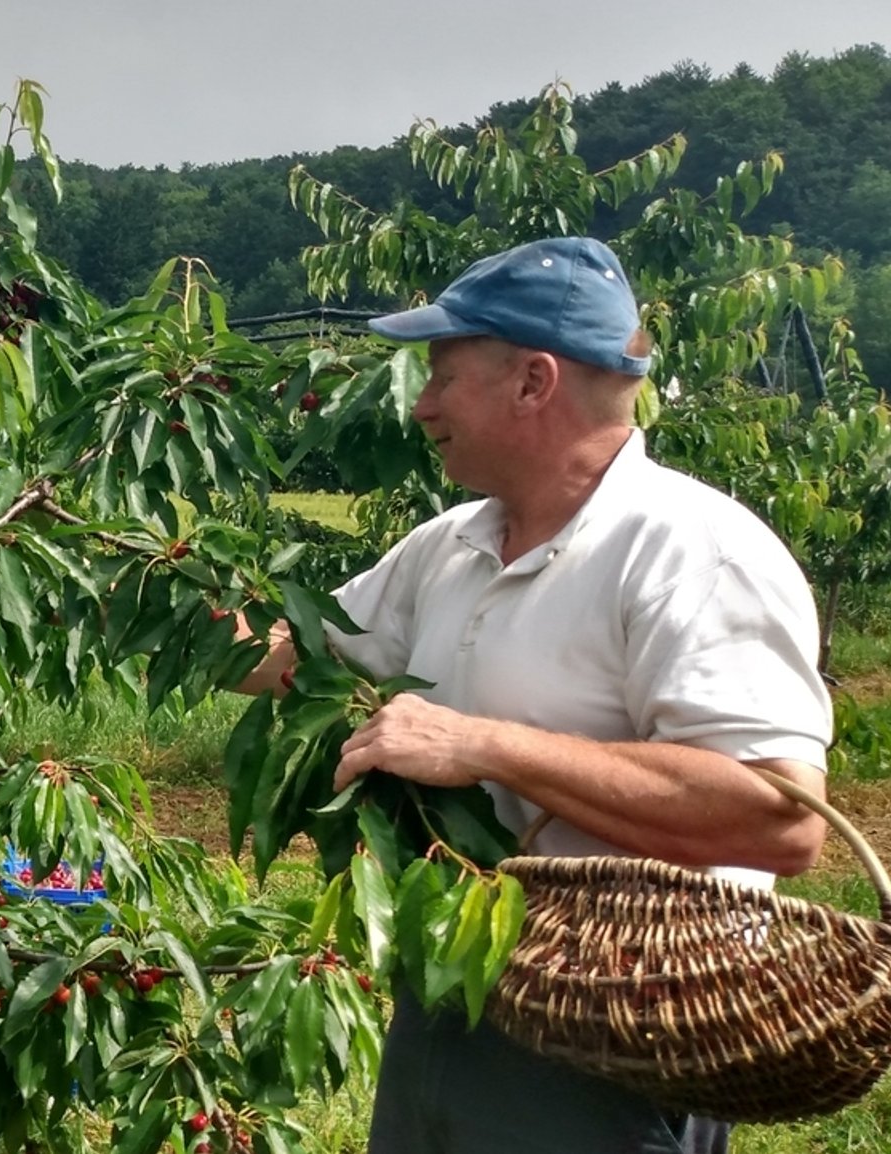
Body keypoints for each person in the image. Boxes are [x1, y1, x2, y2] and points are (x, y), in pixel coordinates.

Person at [239, 237, 833, 1154]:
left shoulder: (694, 552)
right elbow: (298, 659)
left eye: (441, 375)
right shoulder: (452, 544)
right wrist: (93, 593)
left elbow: (779, 820)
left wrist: (485, 745)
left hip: (615, 1028)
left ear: (533, 382)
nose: (421, 405)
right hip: (452, 990)